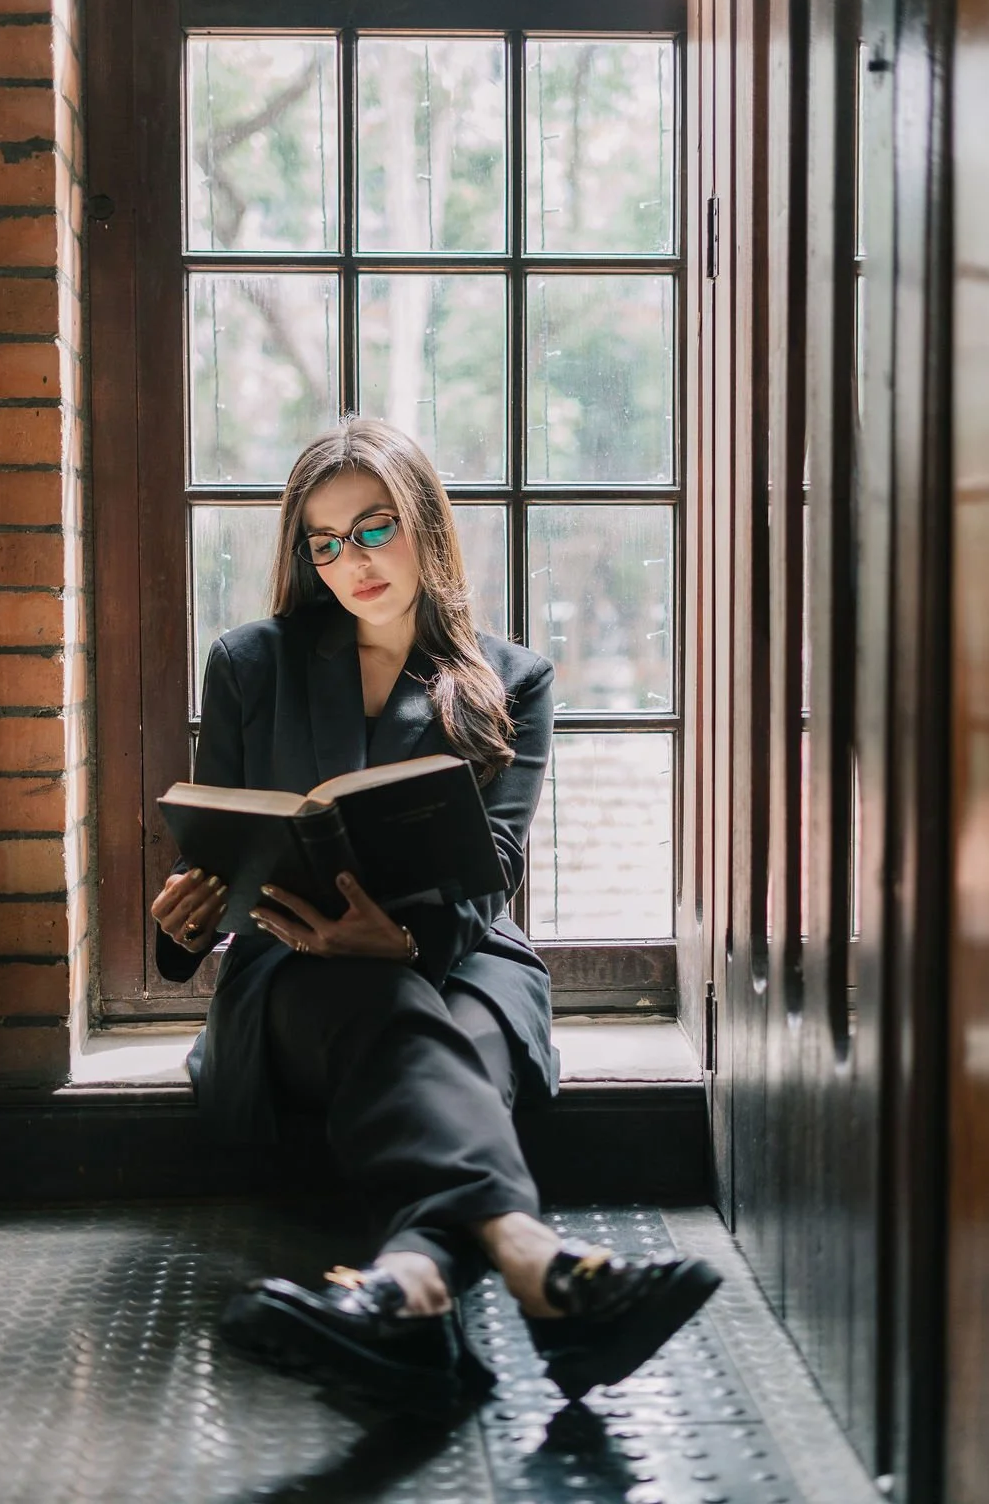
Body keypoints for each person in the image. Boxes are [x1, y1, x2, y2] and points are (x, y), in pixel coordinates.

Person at [151, 417, 720, 1418]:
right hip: (293, 979)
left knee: (448, 1027)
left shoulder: (511, 679)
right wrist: (184, 922)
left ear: (424, 524)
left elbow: (490, 873)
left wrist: (405, 943)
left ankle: (407, 1297)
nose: (351, 560)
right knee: (377, 1005)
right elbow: (229, 849)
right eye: (324, 541)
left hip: (466, 966)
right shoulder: (249, 662)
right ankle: (543, 1265)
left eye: (373, 528)